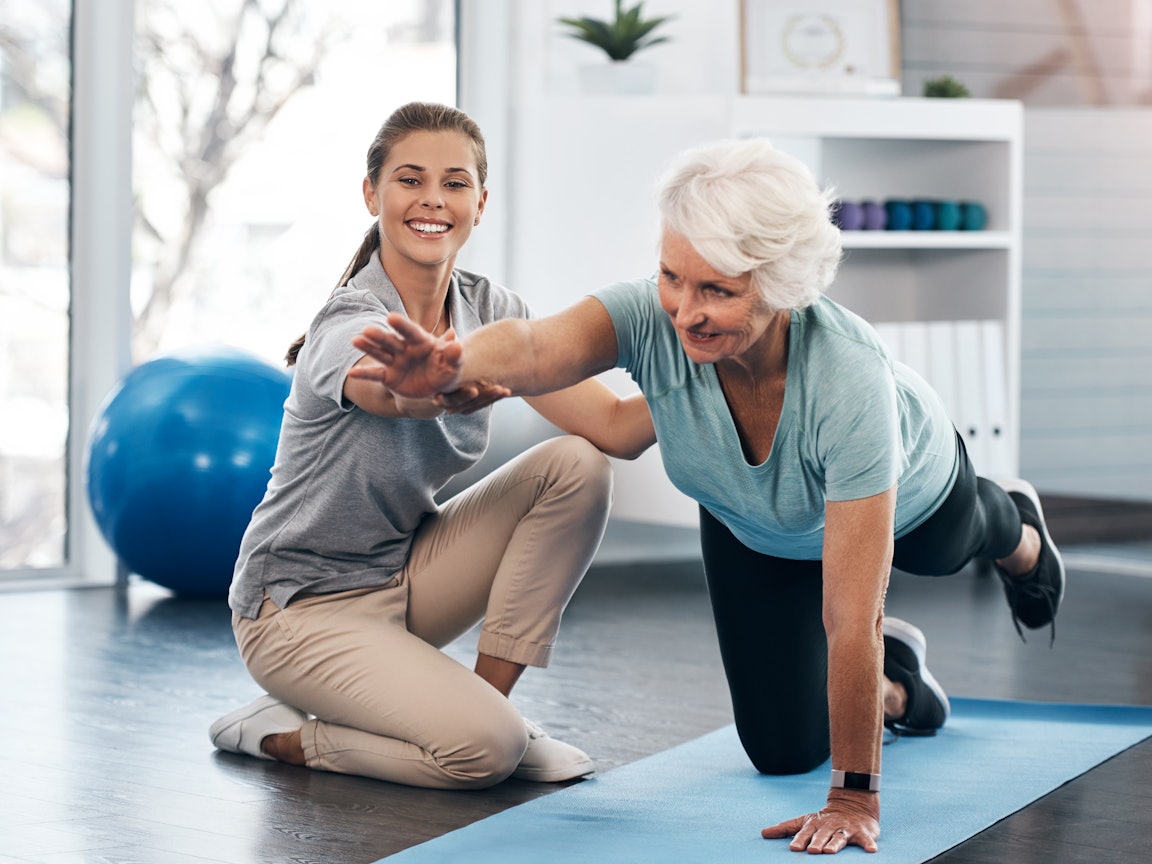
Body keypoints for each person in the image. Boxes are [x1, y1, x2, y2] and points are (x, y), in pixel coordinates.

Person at [350, 137, 1066, 853]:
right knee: (782, 751)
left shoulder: (850, 383)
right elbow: (540, 349)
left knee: (954, 544)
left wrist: (854, 797)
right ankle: (897, 688)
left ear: (783, 285)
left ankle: (1019, 528)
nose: (684, 311)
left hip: (914, 494)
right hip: (753, 523)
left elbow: (851, 617)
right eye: (672, 277)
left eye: (718, 290)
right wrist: (450, 365)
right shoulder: (651, 319)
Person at [208, 101, 656, 790]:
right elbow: (388, 392)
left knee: (577, 465)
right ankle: (285, 736)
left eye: (454, 183)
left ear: (480, 200)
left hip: (404, 577)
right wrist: (428, 388)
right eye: (410, 180)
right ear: (372, 195)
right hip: (297, 610)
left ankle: (488, 707)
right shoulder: (349, 320)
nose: (432, 201)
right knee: (481, 756)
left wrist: (721, 365)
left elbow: (617, 430)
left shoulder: (495, 311)